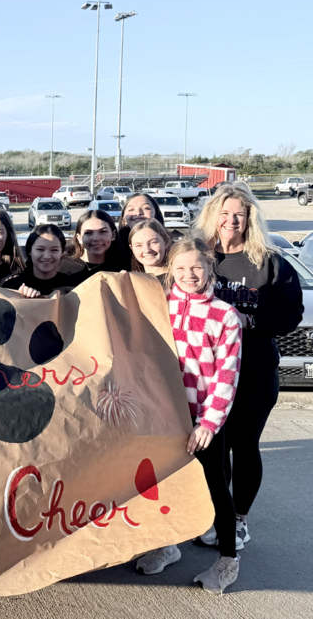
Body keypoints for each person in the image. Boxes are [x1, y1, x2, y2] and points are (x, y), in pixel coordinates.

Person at [194, 183, 303, 549]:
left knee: (244, 445)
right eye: (224, 213)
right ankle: (218, 514)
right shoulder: (201, 259)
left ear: (249, 218)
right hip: (208, 376)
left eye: (238, 214)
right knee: (214, 447)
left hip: (254, 372)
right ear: (213, 216)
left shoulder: (269, 261)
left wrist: (251, 322)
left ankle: (239, 520)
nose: (231, 220)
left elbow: (291, 314)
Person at [136, 239, 242, 595]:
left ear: (210, 268)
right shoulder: (160, 307)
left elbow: (227, 376)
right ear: (170, 271)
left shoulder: (224, 315)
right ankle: (168, 544)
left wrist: (210, 423)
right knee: (163, 484)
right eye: (180, 269)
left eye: (196, 267)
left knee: (214, 487)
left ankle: (228, 560)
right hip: (164, 416)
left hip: (203, 420)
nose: (188, 275)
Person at [1, 224, 76, 297]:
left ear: (62, 252)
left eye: (54, 250)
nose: (47, 256)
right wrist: (17, 297)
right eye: (40, 249)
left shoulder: (74, 288)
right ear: (30, 250)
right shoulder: (12, 287)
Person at [61, 210, 122, 284]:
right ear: (79, 237)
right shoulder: (63, 265)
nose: (96, 238)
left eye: (103, 232)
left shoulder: (123, 268)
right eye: (88, 233)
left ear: (113, 235)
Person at [127, 218, 172, 283]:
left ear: (166, 242)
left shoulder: (179, 280)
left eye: (153, 242)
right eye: (138, 245)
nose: (147, 250)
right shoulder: (132, 281)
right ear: (132, 249)